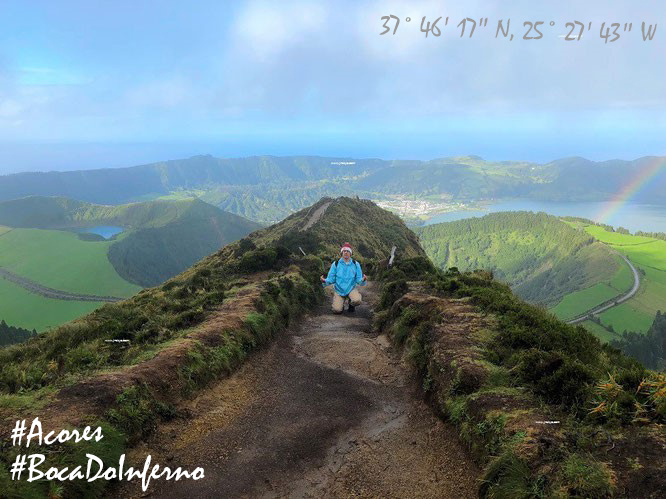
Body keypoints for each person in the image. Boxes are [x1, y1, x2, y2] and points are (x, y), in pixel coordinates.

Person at [320, 242, 367, 313]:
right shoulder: (335, 264)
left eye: (348, 251)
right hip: (339, 290)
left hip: (351, 289)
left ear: (350, 253)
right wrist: (325, 281)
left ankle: (351, 304)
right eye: (344, 251)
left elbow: (358, 279)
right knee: (337, 310)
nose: (346, 252)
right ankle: (340, 305)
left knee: (357, 300)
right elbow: (331, 278)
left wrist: (363, 280)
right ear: (342, 252)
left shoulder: (355, 264)